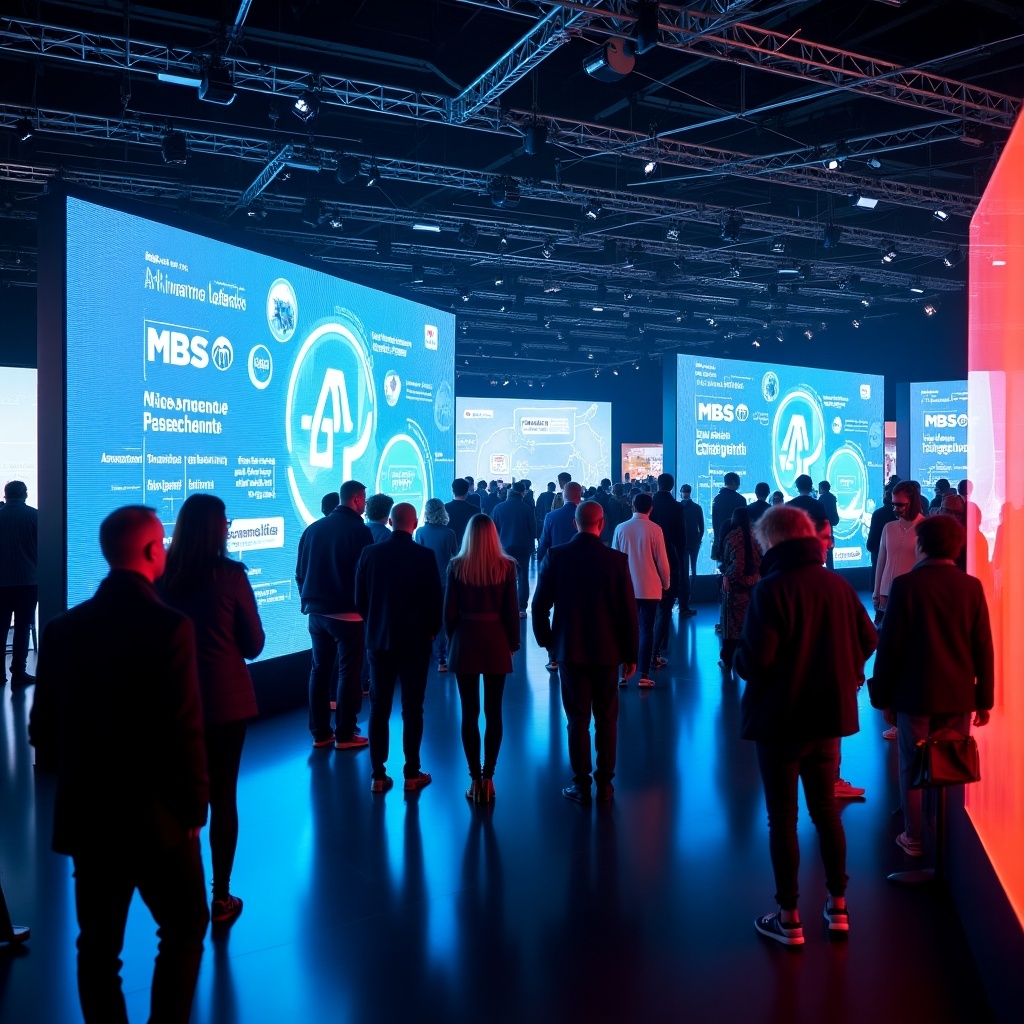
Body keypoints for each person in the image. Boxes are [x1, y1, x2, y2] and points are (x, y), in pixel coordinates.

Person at [29, 506, 209, 1022]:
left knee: (97, 949)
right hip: (160, 820)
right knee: (184, 927)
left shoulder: (63, 630)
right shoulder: (170, 626)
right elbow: (185, 732)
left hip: (89, 816)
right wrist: (195, 810)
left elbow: (43, 733)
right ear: (154, 552)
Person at [735, 506, 876, 946]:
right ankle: (838, 907)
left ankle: (789, 917)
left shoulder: (770, 589)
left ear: (772, 541)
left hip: (780, 722)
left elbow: (755, 661)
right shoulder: (836, 584)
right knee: (826, 816)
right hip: (828, 720)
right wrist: (845, 669)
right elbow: (870, 638)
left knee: (782, 821)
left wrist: (740, 657)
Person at [160, 494, 265, 925]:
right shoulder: (231, 576)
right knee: (223, 797)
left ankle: (180, 895)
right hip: (225, 702)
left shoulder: (159, 577)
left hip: (173, 703)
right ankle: (220, 898)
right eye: (225, 520)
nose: (228, 526)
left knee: (180, 799)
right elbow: (255, 645)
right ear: (214, 527)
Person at [868, 514, 993, 858]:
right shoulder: (971, 586)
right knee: (950, 765)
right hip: (958, 695)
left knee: (911, 766)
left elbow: (889, 645)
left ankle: (915, 837)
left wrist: (882, 697)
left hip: (914, 694)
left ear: (921, 545)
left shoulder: (906, 586)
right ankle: (947, 839)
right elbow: (983, 645)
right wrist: (984, 699)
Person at [532, 501, 638, 804]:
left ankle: (581, 784)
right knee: (607, 719)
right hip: (608, 651)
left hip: (570, 649)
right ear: (601, 524)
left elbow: (539, 606)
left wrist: (549, 643)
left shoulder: (556, 556)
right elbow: (628, 612)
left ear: (576, 523)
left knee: (577, 719)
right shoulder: (616, 560)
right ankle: (605, 783)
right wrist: (631, 654)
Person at [356, 502, 443, 793]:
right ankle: (411, 773)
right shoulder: (425, 556)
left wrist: (375, 624)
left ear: (390, 522)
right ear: (415, 523)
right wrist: (431, 632)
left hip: (379, 642)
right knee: (412, 708)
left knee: (379, 707)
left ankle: (378, 776)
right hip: (416, 643)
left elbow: (360, 600)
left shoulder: (370, 553)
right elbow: (435, 602)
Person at [445, 514, 520, 802]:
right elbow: (511, 611)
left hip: (465, 638)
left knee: (469, 713)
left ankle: (474, 779)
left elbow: (448, 613)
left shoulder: (456, 566)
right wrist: (513, 642)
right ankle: (490, 778)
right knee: (494, 712)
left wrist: (453, 638)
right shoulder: (506, 566)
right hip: (496, 640)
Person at [295, 479, 373, 751]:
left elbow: (299, 572)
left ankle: (319, 732)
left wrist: (309, 600)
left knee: (319, 671)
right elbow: (365, 576)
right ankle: (345, 734)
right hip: (348, 615)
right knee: (348, 673)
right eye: (363, 498)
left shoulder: (313, 529)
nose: (365, 503)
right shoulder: (359, 531)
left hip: (315, 613)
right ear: (354, 499)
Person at [612, 492, 670, 687]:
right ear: (651, 508)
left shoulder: (621, 528)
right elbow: (662, 560)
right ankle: (644, 675)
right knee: (647, 630)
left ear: (632, 506)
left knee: (625, 630)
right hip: (650, 587)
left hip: (625, 587)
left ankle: (623, 674)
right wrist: (666, 583)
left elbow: (615, 558)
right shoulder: (655, 529)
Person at [651, 473, 694, 671]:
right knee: (665, 606)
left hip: (648, 558)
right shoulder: (677, 507)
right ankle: (659, 647)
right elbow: (681, 536)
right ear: (673, 486)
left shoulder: (649, 504)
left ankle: (645, 648)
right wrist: (680, 556)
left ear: (658, 484)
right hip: (671, 558)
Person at [0, 480, 37, 687]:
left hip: (1, 582)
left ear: (5, 495)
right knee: (23, 627)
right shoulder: (35, 516)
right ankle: (18, 672)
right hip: (28, 581)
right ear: (24, 494)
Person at [414, 499, 458, 671]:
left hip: (425, 582)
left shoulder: (420, 532)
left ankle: (430, 654)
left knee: (428, 618)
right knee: (444, 619)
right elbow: (454, 558)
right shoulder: (449, 533)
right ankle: (443, 658)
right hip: (446, 582)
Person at [717, 506, 761, 670]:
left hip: (735, 588)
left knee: (731, 626)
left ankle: (728, 660)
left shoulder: (732, 537)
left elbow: (732, 565)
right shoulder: (756, 536)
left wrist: (728, 576)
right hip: (755, 585)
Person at [491, 481, 536, 617]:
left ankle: (502, 605)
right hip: (523, 548)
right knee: (523, 578)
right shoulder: (527, 508)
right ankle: (521, 608)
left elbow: (493, 530)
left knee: (502, 576)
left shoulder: (498, 508)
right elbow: (533, 531)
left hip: (503, 548)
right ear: (522, 493)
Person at [866, 486, 896, 592]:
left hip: (878, 556)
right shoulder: (904, 517)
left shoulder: (878, 514)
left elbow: (871, 542)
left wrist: (875, 550)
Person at [710, 472, 746, 561]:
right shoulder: (741, 499)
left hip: (720, 536)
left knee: (722, 562)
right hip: (737, 538)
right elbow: (744, 521)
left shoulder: (717, 499)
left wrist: (717, 537)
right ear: (734, 482)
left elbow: (715, 521)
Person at [679, 483, 705, 579]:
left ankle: (684, 590)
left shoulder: (678, 507)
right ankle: (692, 590)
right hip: (694, 541)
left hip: (682, 541)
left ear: (681, 493)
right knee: (693, 567)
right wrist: (699, 539)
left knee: (683, 567)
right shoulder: (697, 507)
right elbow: (702, 526)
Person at [444, 478, 477, 547]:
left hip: (449, 547)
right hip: (469, 547)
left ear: (453, 491)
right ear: (467, 492)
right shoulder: (475, 510)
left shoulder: (445, 508)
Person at [817, 481, 840, 570]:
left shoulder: (821, 499)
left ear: (822, 488)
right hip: (830, 531)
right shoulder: (832, 498)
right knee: (830, 557)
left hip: (822, 530)